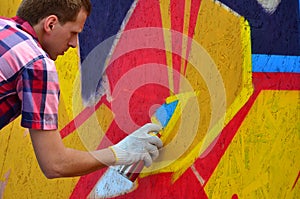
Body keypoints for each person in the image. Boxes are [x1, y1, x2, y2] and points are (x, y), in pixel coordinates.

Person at [0, 0, 163, 179]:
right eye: (73, 33)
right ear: (51, 24)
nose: (74, 44)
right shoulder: (37, 66)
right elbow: (55, 164)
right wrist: (119, 152)